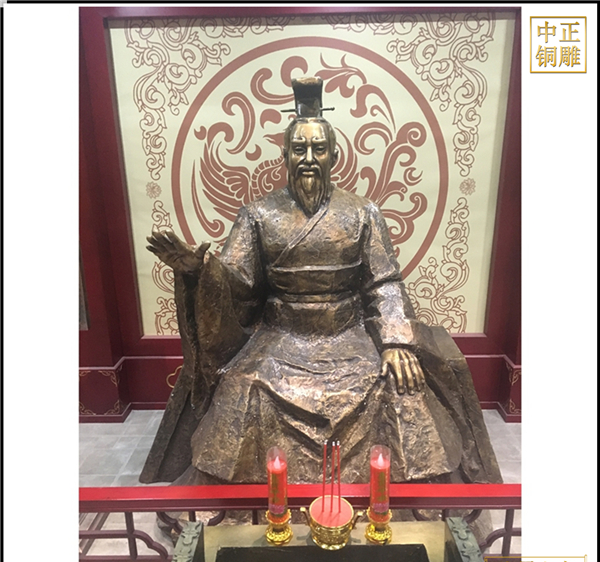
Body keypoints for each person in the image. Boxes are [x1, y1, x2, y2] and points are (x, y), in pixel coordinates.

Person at [140, 77, 502, 486]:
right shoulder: (257, 214)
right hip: (281, 337)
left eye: (319, 149)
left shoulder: (363, 212)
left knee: (399, 385)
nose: (309, 158)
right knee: (243, 388)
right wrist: (199, 270)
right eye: (299, 149)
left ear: (334, 155)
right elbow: (237, 283)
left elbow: (384, 282)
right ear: (285, 156)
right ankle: (239, 504)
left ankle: (408, 502)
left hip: (347, 334)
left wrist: (396, 342)